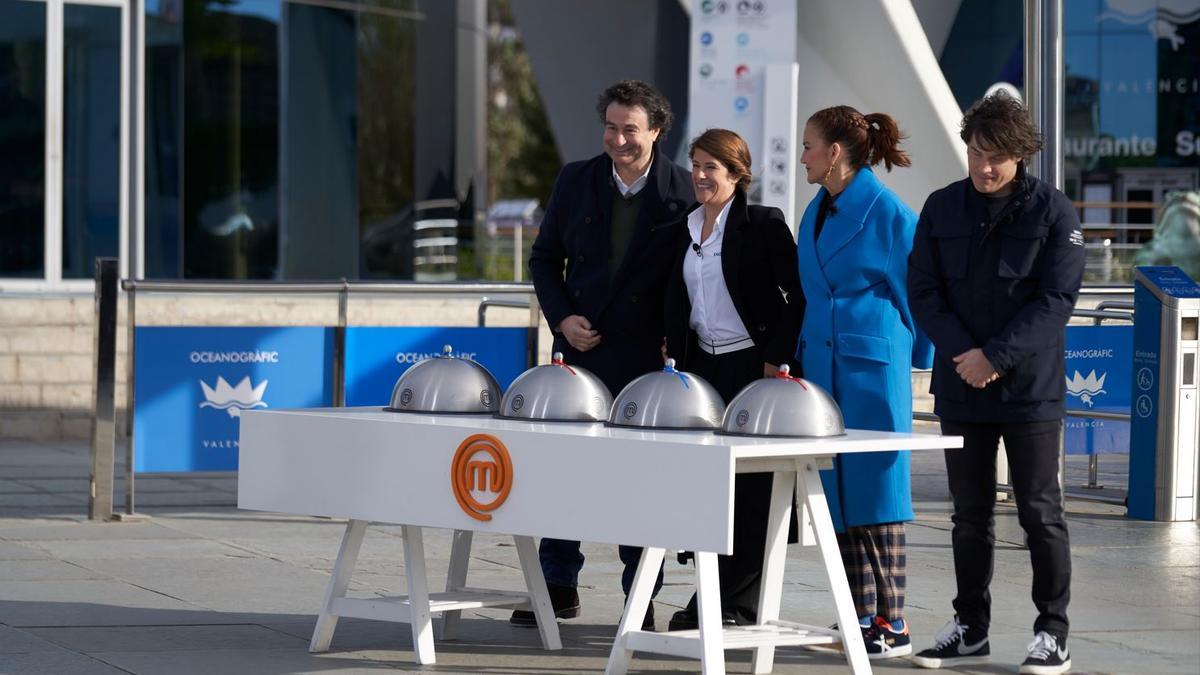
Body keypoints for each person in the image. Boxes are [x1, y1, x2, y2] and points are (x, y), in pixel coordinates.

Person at [908, 91, 1083, 675]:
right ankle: (969, 628)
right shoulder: (941, 208)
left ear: (1021, 155)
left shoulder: (1053, 213)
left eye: (997, 158)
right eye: (976, 153)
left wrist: (997, 358)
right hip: (962, 385)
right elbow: (924, 292)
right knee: (968, 514)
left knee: (1039, 510)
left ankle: (1051, 631)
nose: (984, 167)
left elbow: (1056, 301)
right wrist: (965, 355)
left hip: (1029, 390)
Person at [519, 79, 694, 631]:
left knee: (638, 480)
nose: (619, 139)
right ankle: (557, 584)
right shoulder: (575, 179)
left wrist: (676, 334)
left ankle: (639, 597)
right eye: (612, 127)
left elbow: (693, 276)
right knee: (561, 470)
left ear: (657, 131)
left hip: (645, 360)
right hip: (577, 353)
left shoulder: (684, 190)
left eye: (631, 129)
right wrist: (562, 317)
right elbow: (545, 259)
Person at [794, 105, 932, 659]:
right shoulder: (819, 209)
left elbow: (915, 293)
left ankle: (892, 622)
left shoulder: (888, 212)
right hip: (824, 369)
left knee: (879, 487)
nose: (801, 155)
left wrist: (918, 358)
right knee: (841, 493)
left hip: (872, 366)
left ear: (834, 153)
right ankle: (858, 616)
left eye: (808, 146)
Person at [662, 128, 803, 630]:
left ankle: (738, 606)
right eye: (696, 165)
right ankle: (707, 597)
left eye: (711, 168)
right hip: (702, 368)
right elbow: (677, 298)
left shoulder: (764, 225)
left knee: (753, 492)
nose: (700, 175)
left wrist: (777, 356)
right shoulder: (684, 225)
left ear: (737, 175)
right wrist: (672, 350)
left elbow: (796, 298)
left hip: (753, 366)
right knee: (708, 490)